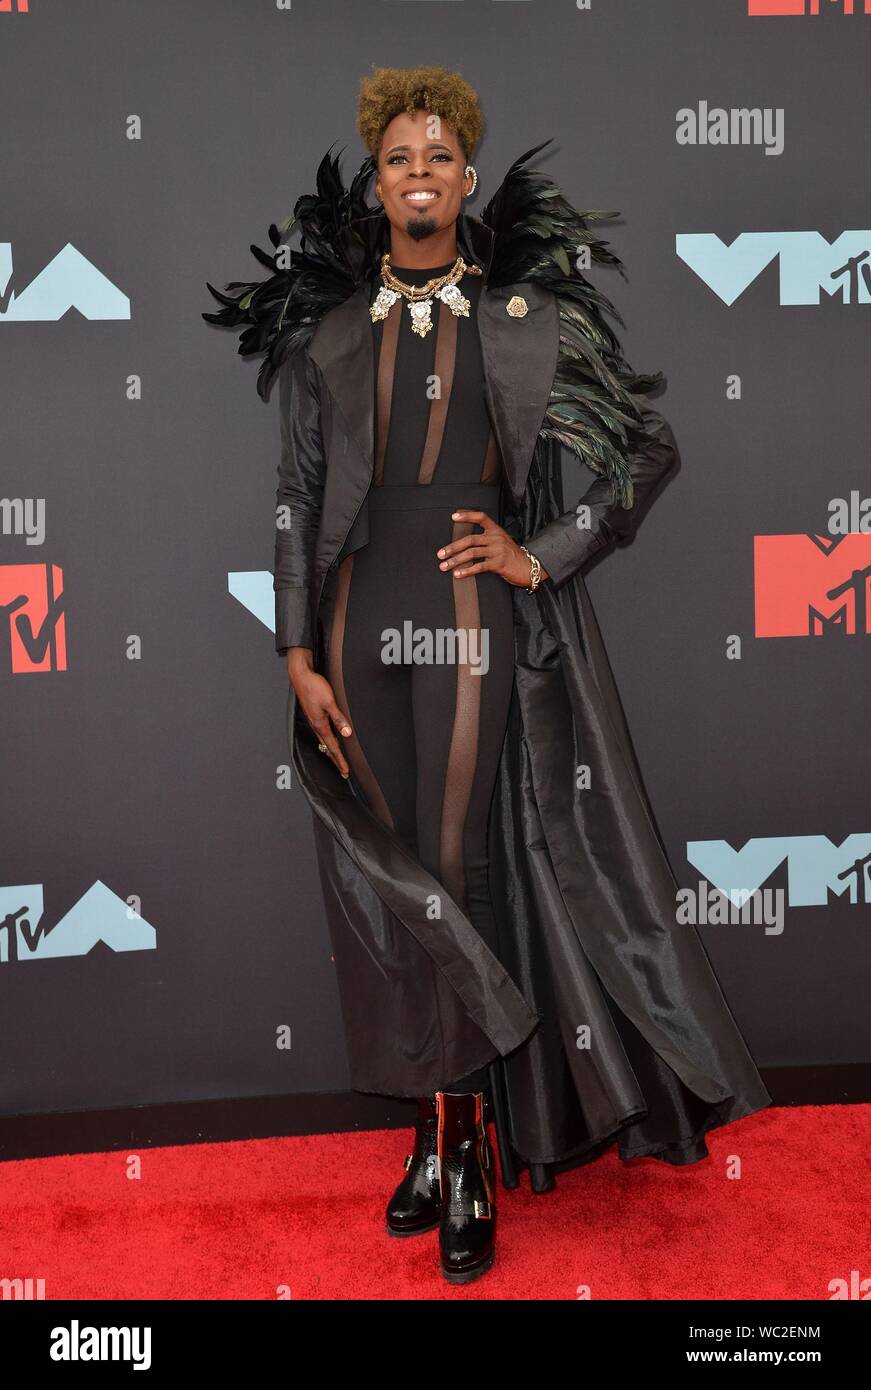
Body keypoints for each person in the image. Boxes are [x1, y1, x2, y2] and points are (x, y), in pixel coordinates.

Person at [204, 64, 772, 1287]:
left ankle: (462, 1157)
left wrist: (545, 551)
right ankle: (440, 1129)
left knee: (452, 876)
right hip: (359, 624)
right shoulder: (330, 338)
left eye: (438, 156)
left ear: (468, 175)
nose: (418, 174)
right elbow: (296, 504)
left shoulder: (531, 323)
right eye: (398, 158)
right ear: (378, 180)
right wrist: (294, 649)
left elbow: (645, 450)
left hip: (471, 621)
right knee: (391, 878)